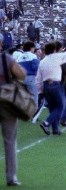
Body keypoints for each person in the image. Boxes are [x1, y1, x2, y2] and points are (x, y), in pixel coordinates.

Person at [0, 39, 27, 186]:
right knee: (10, 140)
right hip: (7, 100)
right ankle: (11, 177)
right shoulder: (6, 59)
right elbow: (22, 74)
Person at [36, 42, 66, 136]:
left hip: (46, 85)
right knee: (60, 106)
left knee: (52, 107)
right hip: (55, 83)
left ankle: (55, 129)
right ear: (54, 50)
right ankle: (46, 123)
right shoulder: (57, 57)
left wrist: (40, 91)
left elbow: (38, 78)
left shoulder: (42, 61)